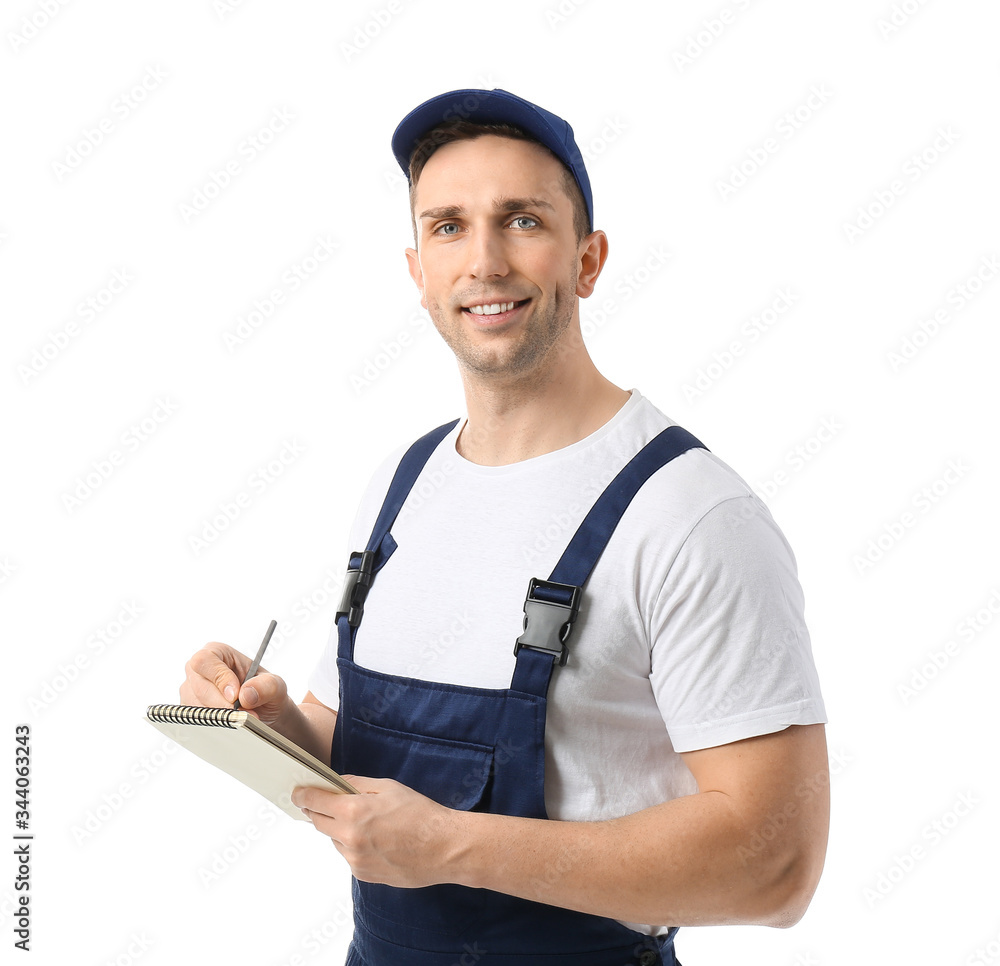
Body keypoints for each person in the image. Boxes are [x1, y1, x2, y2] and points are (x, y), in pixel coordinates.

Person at [181, 88, 829, 965]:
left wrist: (450, 845)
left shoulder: (691, 517)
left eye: (521, 220)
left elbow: (778, 868)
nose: (483, 261)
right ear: (417, 272)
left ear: (588, 260)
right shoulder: (401, 487)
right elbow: (366, 776)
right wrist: (264, 728)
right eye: (447, 226)